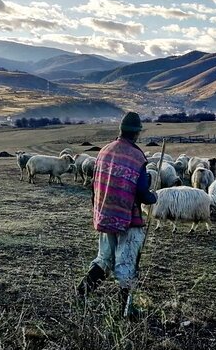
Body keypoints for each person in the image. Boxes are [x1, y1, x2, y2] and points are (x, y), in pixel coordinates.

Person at [77, 112, 157, 318]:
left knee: (104, 258)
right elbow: (142, 193)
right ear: (137, 133)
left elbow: (94, 185)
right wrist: (152, 197)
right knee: (126, 263)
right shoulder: (137, 157)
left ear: (120, 130)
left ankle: (82, 293)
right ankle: (125, 309)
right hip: (127, 219)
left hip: (104, 214)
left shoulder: (104, 151)